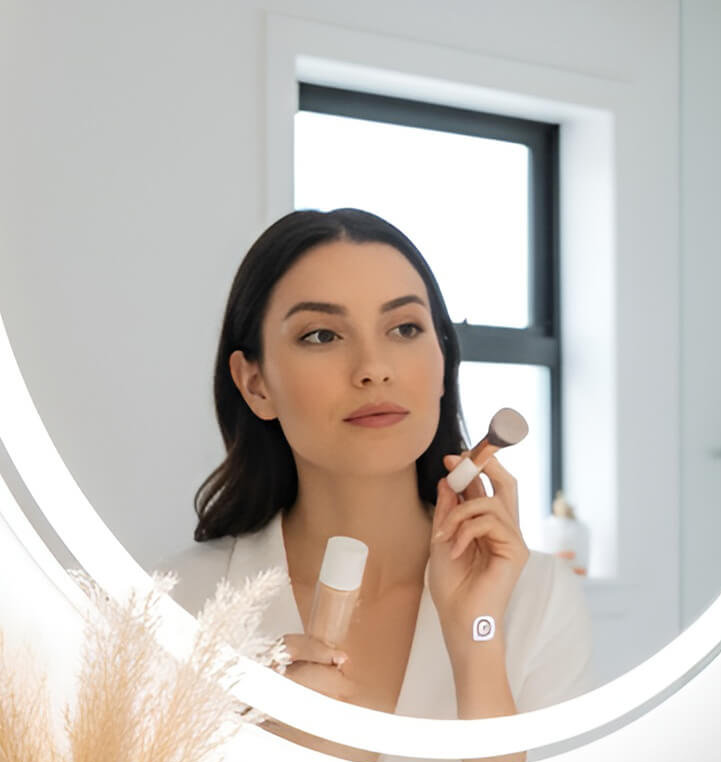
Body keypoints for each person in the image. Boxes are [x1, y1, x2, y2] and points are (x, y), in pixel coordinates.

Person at [163, 208, 591, 719]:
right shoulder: (179, 603)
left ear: (442, 365)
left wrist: (478, 639)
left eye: (405, 328)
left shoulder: (537, 599)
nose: (373, 369)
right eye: (321, 335)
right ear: (256, 384)